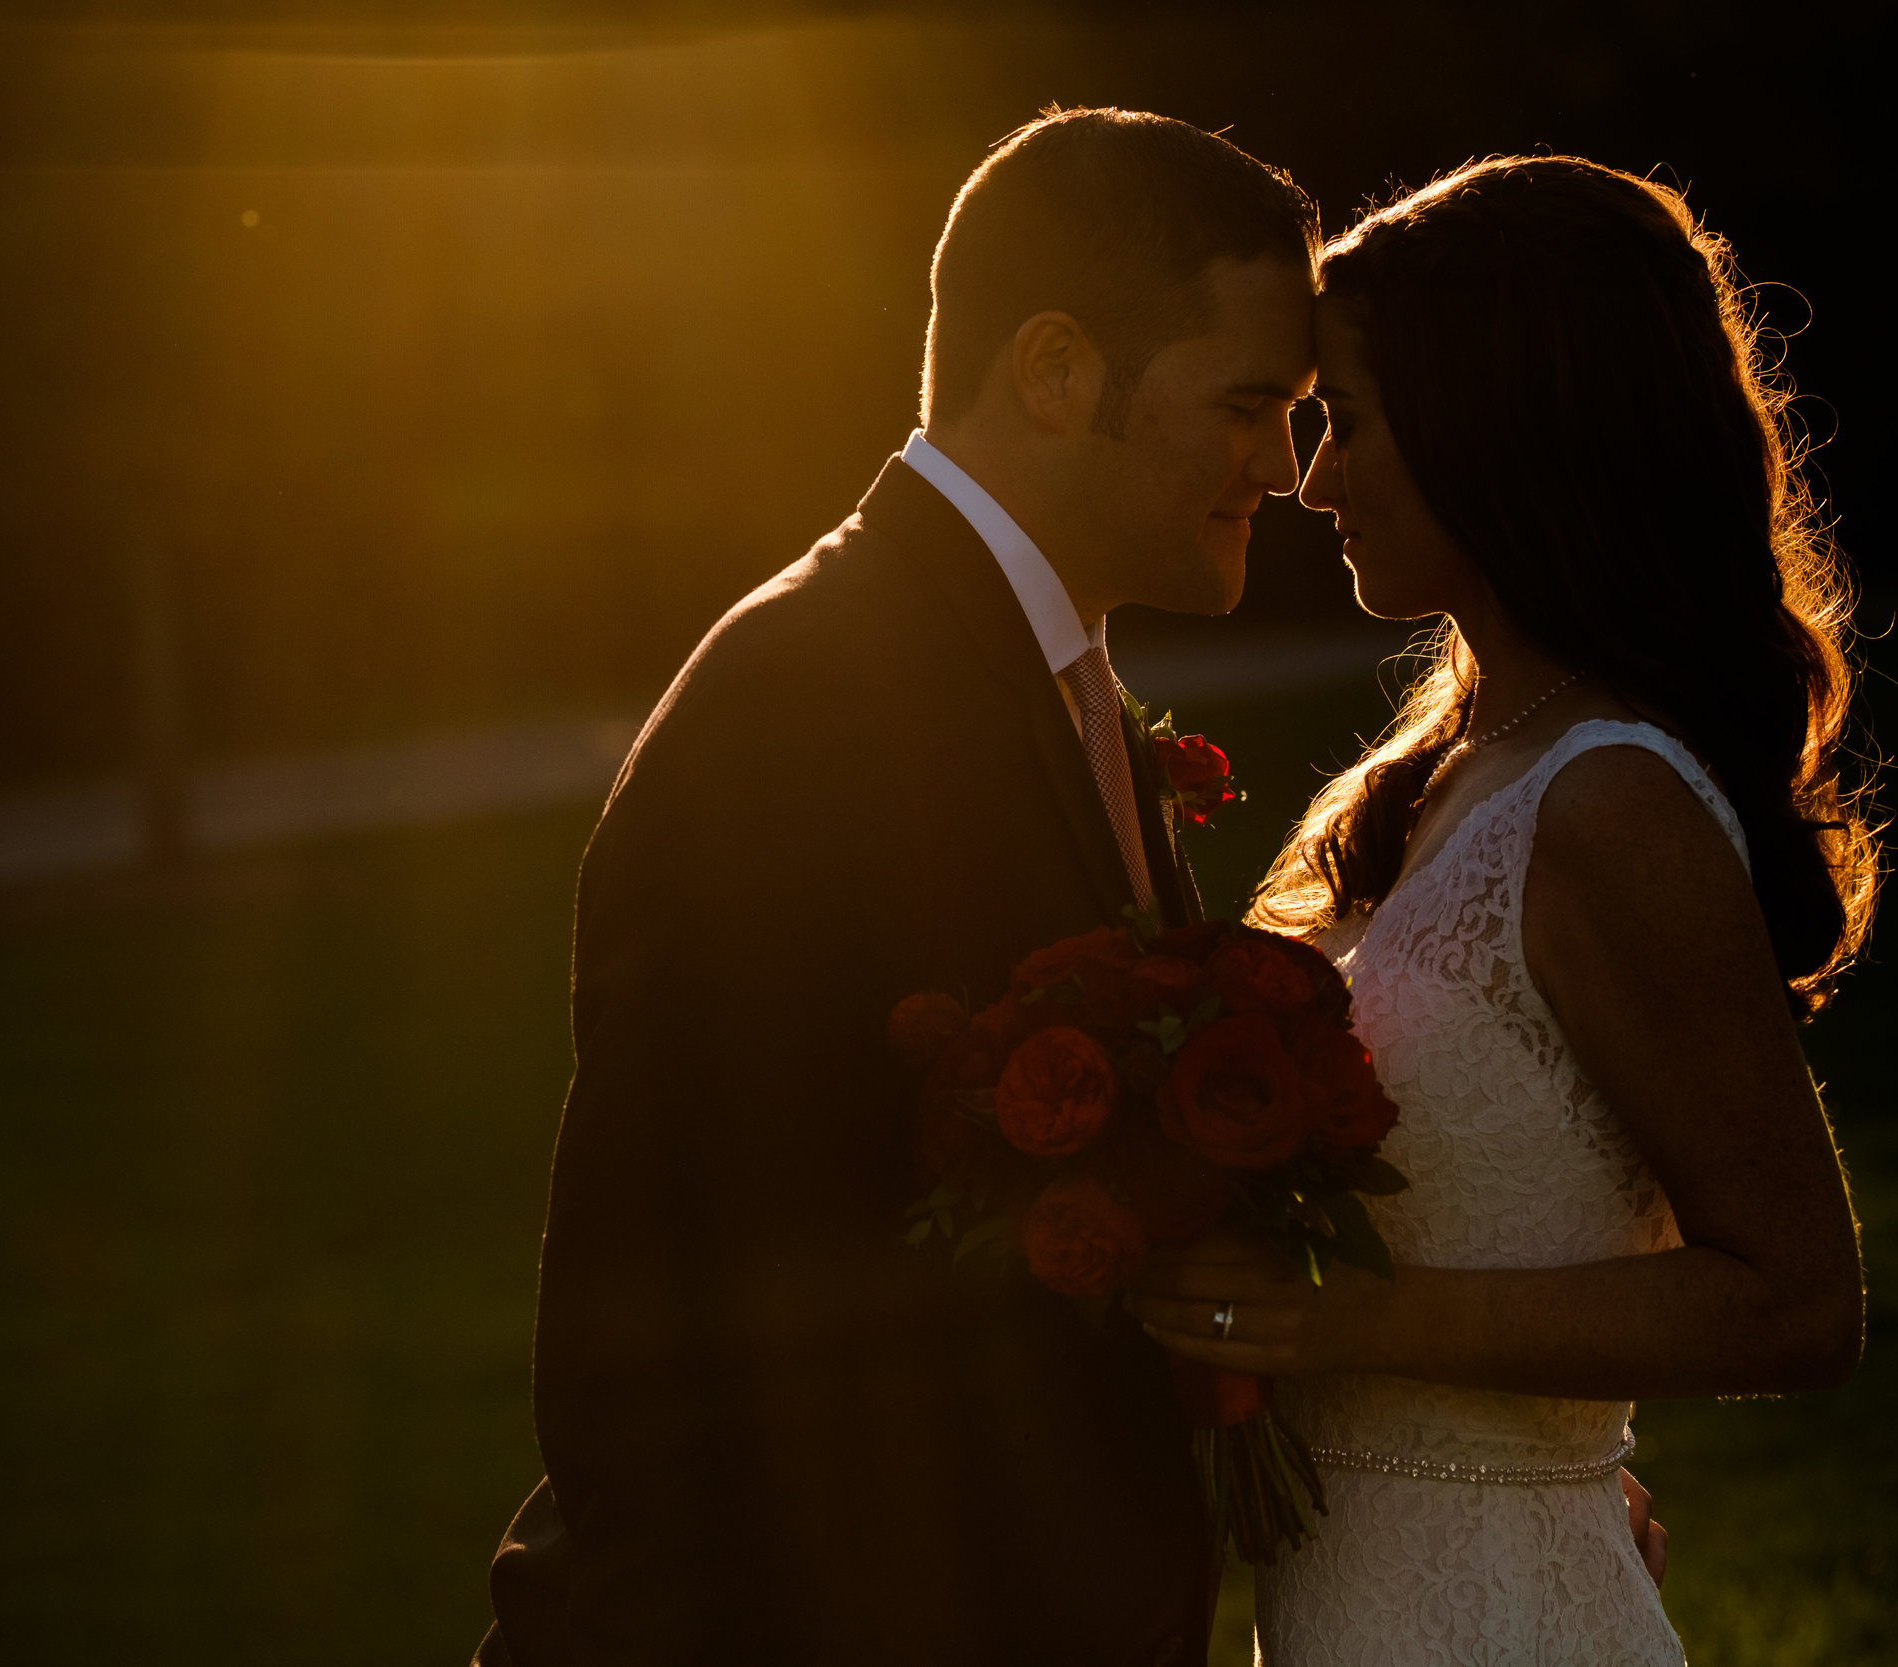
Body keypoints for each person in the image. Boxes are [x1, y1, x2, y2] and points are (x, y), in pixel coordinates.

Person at [474, 107, 1318, 1667]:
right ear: (1058, 371)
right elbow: (674, 1301)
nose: (1285, 464)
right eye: (1250, 404)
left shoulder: (1059, 688)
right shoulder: (808, 697)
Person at [1129, 156, 1872, 1665]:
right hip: (1365, 1595)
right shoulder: (1450, 763)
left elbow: (1796, 1300)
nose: (1309, 477)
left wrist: (1339, 1324)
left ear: (1503, 428)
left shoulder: (1611, 801)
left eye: (1350, 418)